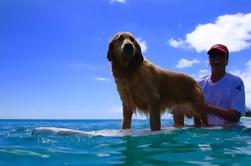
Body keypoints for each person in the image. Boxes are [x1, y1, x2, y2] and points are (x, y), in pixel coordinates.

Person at [196, 44, 246, 126]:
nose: (217, 58)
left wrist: (208, 109)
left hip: (228, 133)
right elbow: (189, 114)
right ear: (209, 60)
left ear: (227, 61)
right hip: (204, 131)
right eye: (213, 55)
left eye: (221, 56)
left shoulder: (236, 82)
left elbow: (236, 116)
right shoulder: (198, 83)